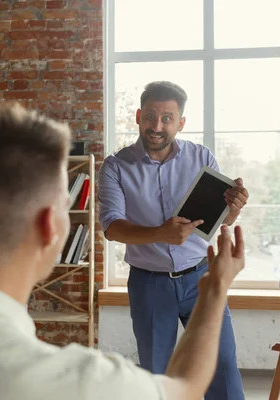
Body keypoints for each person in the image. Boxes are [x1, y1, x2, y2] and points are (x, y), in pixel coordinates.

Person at [0, 103, 247, 400]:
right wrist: (217, 289)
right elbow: (183, 388)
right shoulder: (89, 383)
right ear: (51, 226)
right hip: (155, 281)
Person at [98, 81, 250, 399]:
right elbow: (111, 227)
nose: (157, 126)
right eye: (150, 116)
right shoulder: (115, 166)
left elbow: (218, 220)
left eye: (167, 118)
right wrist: (159, 234)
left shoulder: (201, 157)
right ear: (138, 116)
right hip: (149, 285)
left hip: (201, 279)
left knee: (222, 367)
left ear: (181, 123)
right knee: (157, 375)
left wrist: (232, 211)